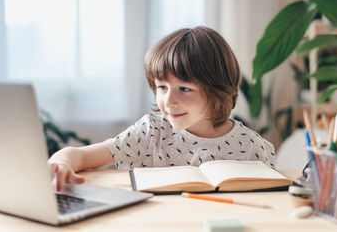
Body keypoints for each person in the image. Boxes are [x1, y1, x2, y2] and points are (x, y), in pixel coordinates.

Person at [48, 26, 275, 191]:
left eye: (184, 89)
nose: (169, 101)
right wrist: (62, 163)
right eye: (162, 87)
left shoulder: (253, 147)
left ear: (217, 89)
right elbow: (78, 155)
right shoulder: (150, 133)